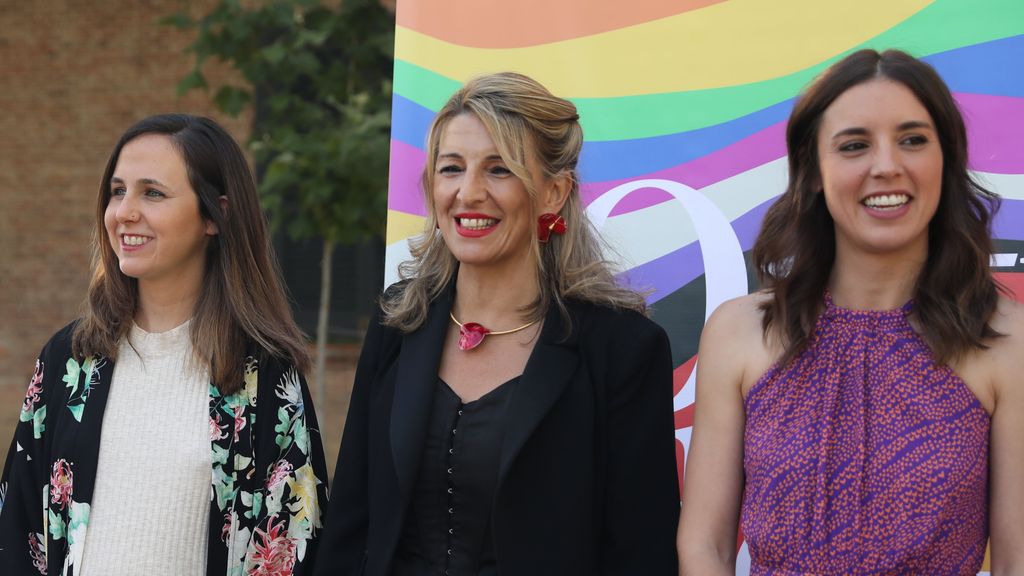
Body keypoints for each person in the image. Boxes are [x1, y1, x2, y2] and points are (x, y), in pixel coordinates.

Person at [315, 72, 679, 576]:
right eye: (451, 168)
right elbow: (350, 526)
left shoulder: (624, 349)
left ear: (553, 192)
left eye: (499, 170)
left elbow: (641, 554)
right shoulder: (397, 322)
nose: (468, 193)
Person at [677, 49, 1024, 574]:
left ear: (946, 160)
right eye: (854, 145)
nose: (886, 166)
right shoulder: (741, 332)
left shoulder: (1005, 340)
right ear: (813, 171)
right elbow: (705, 547)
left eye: (912, 140)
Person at [0, 114, 329, 575]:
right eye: (118, 191)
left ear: (216, 216)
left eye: (152, 192)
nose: (124, 212)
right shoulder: (69, 362)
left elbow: (294, 548)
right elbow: (16, 533)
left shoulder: (265, 376)